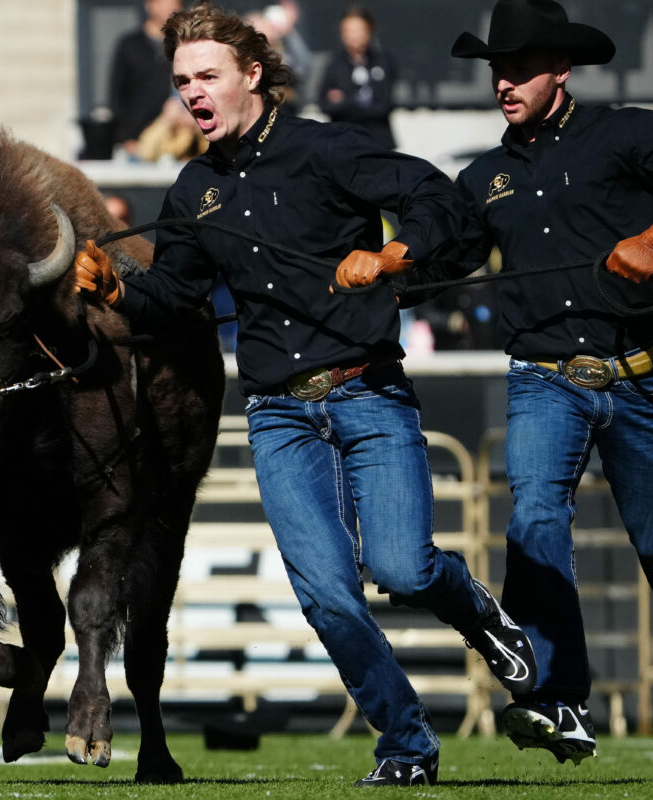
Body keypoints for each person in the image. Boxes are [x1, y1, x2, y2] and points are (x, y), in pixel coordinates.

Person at [74, 3, 536, 786]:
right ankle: (406, 745)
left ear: (253, 75)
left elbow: (442, 204)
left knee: (405, 568)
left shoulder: (328, 149)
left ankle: (479, 614)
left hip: (368, 390)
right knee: (327, 596)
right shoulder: (193, 189)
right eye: (182, 80)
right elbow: (175, 299)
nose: (191, 92)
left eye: (206, 76)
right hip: (278, 412)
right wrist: (116, 289)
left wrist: (392, 254)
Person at [423, 0, 646, 765]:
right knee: (535, 523)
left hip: (642, 373)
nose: (504, 83)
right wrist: (381, 262)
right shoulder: (481, 178)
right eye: (496, 70)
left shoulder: (626, 131)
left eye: (519, 68)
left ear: (562, 69)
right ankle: (558, 702)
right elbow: (437, 256)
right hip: (545, 377)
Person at [107, 0, 182, 157]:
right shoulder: (129, 46)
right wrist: (125, 138)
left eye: (175, 2)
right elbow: (116, 96)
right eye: (164, 2)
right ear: (150, 5)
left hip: (177, 141)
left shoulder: (184, 46)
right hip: (137, 143)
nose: (171, 7)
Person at [318, 4, 397, 150]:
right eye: (349, 30)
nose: (354, 35)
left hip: (378, 141)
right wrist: (359, 102)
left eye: (359, 30)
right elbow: (325, 104)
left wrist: (345, 100)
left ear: (369, 31)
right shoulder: (334, 64)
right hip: (343, 140)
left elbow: (383, 105)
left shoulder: (383, 61)